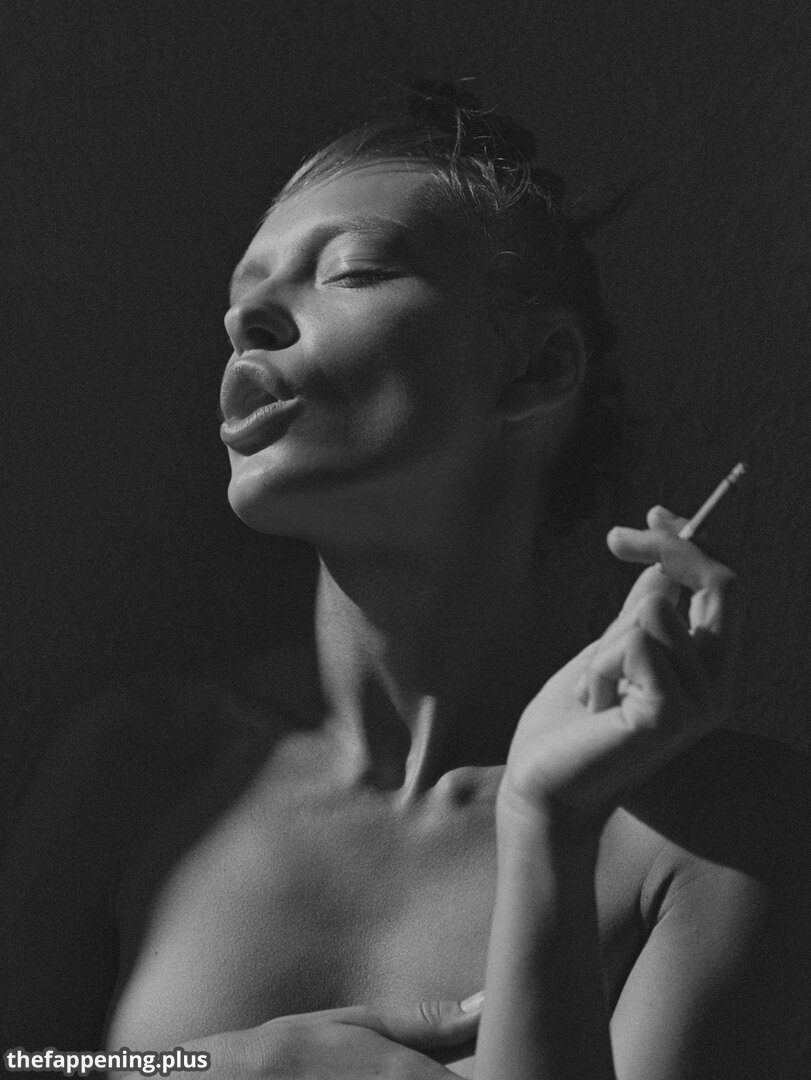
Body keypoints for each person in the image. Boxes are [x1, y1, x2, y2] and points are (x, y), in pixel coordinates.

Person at [2, 87, 809, 1080]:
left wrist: (548, 826)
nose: (246, 319)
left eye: (350, 270)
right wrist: (228, 1070)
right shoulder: (140, 764)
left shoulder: (725, 831)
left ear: (537, 366)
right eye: (241, 295)